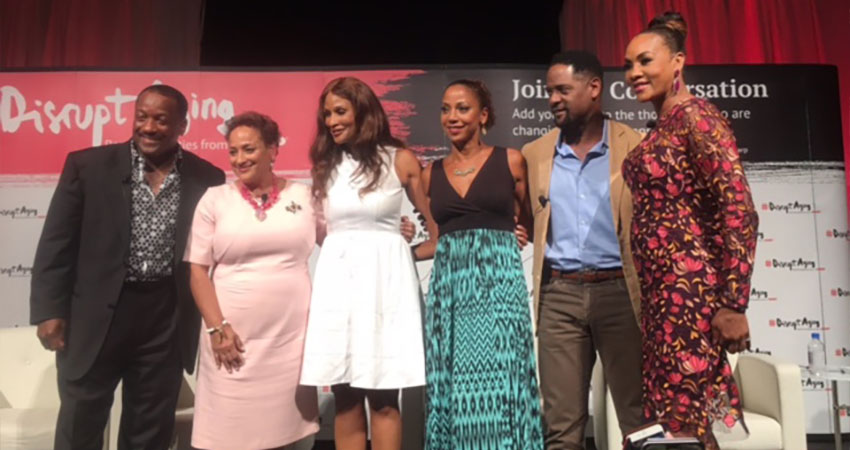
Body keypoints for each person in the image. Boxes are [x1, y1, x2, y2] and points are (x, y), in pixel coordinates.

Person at [30, 85, 225, 450]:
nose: (148, 127)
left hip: (165, 318)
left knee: (149, 429)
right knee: (80, 422)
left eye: (161, 120)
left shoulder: (207, 177)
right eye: (142, 117)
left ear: (182, 125)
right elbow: (56, 243)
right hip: (96, 316)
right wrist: (49, 310)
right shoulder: (87, 167)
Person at [622, 11, 759, 449]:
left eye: (645, 61)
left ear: (677, 61)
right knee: (674, 421)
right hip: (663, 299)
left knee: (690, 417)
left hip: (694, 299)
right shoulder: (663, 123)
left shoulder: (698, 117)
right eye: (628, 65)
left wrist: (733, 303)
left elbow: (738, 207)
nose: (634, 73)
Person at [300, 76, 438, 450]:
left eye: (340, 111)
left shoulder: (400, 159)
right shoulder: (325, 166)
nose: (331, 121)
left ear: (364, 111)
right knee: (344, 399)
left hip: (386, 289)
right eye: (327, 114)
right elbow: (318, 232)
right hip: (339, 287)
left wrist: (402, 250)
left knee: (383, 399)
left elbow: (438, 231)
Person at [522, 51, 644, 449]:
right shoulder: (535, 153)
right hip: (558, 297)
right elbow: (526, 217)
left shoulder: (635, 146)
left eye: (563, 89)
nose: (553, 99)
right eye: (549, 91)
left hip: (621, 294)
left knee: (639, 418)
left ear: (594, 88)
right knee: (562, 426)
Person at [184, 112, 321, 449]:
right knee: (228, 436)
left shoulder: (305, 197)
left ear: (273, 150)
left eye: (249, 149)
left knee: (292, 433)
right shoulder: (215, 200)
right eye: (233, 151)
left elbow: (342, 243)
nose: (239, 159)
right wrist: (217, 329)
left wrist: (391, 229)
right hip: (232, 340)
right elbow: (198, 271)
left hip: (292, 343)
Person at [422, 79, 543, 449]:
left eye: (462, 108)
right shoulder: (431, 173)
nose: (452, 117)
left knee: (507, 377)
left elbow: (532, 222)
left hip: (499, 285)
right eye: (446, 109)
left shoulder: (510, 160)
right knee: (452, 381)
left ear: (483, 115)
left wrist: (517, 233)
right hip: (450, 291)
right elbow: (436, 239)